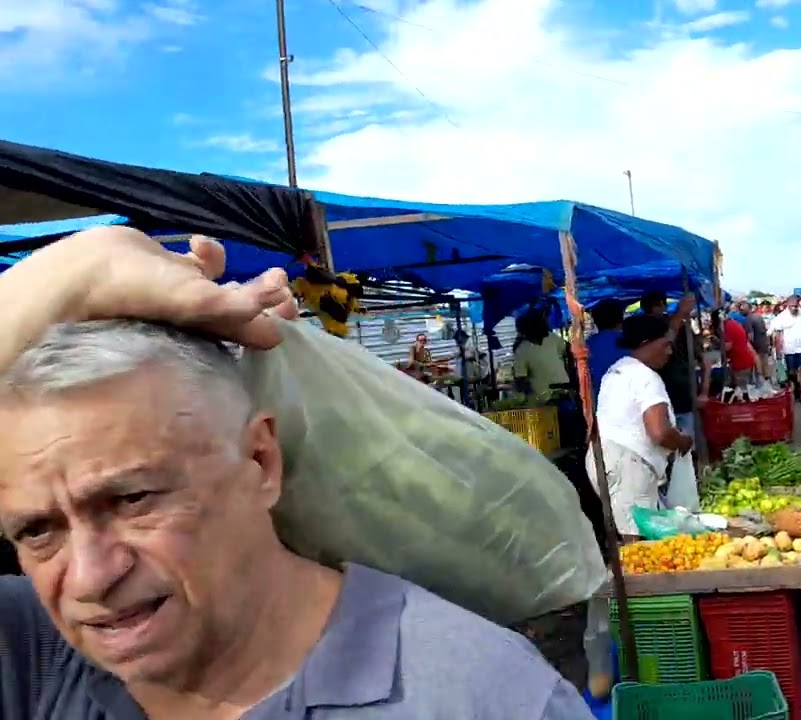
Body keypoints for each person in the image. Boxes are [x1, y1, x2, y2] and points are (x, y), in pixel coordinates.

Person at [0, 227, 594, 720]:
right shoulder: (32, 656)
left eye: (132, 498)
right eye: (36, 531)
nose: (89, 578)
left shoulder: (481, 697)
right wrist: (64, 277)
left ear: (261, 460)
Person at [591, 314, 694, 537]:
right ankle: (634, 573)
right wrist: (683, 441)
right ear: (646, 343)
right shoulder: (646, 377)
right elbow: (659, 432)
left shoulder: (616, 370)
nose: (669, 352)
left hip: (604, 457)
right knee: (637, 538)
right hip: (628, 464)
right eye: (665, 345)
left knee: (627, 527)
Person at [640, 291, 702, 437]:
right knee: (684, 434)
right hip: (675, 387)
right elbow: (701, 357)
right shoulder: (675, 326)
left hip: (664, 389)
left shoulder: (636, 326)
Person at [513, 311, 571, 397]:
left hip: (563, 389)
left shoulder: (553, 338)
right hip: (543, 398)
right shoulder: (522, 350)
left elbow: (568, 352)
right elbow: (521, 379)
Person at [770, 295, 801, 404]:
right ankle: (796, 385)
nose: (794, 308)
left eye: (796, 306)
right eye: (792, 306)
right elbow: (777, 335)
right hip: (789, 349)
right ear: (787, 305)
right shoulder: (781, 318)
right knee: (791, 373)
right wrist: (778, 351)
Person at [586, 298, 627, 401]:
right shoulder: (629, 341)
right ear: (621, 318)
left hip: (600, 402)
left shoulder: (587, 344)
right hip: (628, 399)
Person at [718, 309, 757, 388]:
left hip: (741, 363)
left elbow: (728, 347)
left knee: (742, 390)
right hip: (744, 361)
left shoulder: (728, 327)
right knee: (744, 389)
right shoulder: (733, 324)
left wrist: (717, 344)